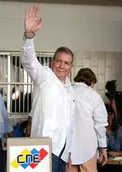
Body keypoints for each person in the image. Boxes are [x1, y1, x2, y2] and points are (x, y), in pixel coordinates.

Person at [22, 4, 74, 172]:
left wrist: (70, 151)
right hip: (41, 149)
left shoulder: (70, 90)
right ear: (53, 62)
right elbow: (29, 61)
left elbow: (70, 124)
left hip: (63, 152)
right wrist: (29, 36)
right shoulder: (44, 76)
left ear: (71, 67)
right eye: (58, 61)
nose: (61, 66)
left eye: (66, 63)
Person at [67, 68, 108, 172]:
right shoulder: (94, 95)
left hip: (67, 151)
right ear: (91, 81)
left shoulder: (66, 91)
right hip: (88, 149)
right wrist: (103, 147)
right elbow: (100, 124)